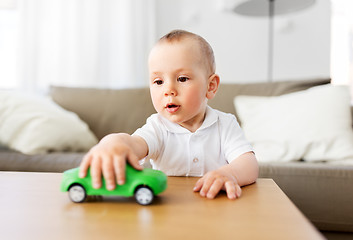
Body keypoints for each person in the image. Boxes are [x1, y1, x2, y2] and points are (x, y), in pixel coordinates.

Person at [79, 29, 259, 200]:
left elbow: (248, 164)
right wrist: (113, 143)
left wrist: (229, 174)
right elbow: (134, 144)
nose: (168, 90)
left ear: (210, 86)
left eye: (182, 79)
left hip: (215, 206)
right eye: (158, 81)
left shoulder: (225, 124)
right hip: (167, 210)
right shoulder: (157, 127)